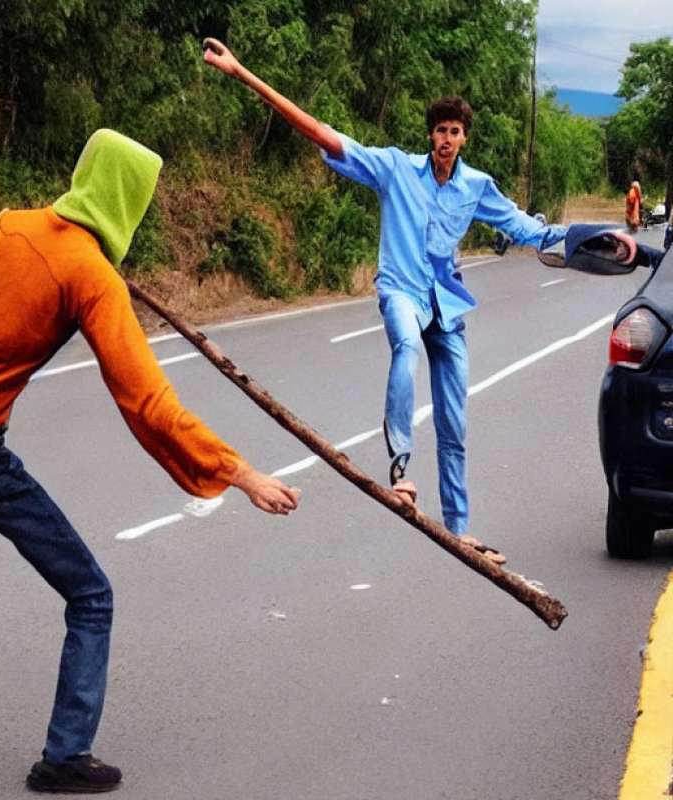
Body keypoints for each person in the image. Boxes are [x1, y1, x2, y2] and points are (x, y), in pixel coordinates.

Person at [0, 128, 301, 800]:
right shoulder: (92, 274)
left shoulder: (9, 225)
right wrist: (241, 474)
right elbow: (147, 401)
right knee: (91, 596)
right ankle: (65, 757)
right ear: (129, 200)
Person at [202, 38, 566, 565]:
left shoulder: (476, 186)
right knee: (405, 348)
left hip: (447, 307)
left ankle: (459, 527)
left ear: (464, 137)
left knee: (455, 420)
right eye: (439, 130)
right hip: (401, 292)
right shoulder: (396, 168)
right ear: (430, 135)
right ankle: (400, 470)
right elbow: (324, 134)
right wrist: (241, 73)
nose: (446, 139)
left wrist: (584, 241)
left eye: (455, 131)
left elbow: (527, 229)